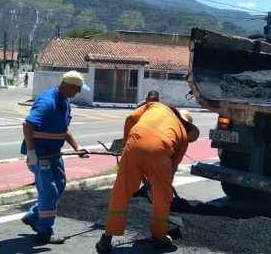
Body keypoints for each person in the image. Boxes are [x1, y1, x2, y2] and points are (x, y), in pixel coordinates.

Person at [95, 102, 200, 253]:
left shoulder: (155, 106)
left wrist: (126, 144)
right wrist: (159, 185)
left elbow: (131, 117)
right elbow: (172, 168)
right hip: (160, 151)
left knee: (121, 192)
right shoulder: (183, 137)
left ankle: (107, 238)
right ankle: (159, 237)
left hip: (134, 144)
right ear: (187, 126)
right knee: (162, 197)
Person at [20, 70, 90, 244]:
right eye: (77, 88)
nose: (79, 92)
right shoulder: (47, 102)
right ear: (68, 86)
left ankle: (33, 215)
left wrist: (77, 147)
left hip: (54, 154)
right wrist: (31, 153)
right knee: (49, 192)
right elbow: (28, 126)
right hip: (40, 154)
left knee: (59, 185)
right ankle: (44, 231)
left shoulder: (64, 102)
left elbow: (63, 130)